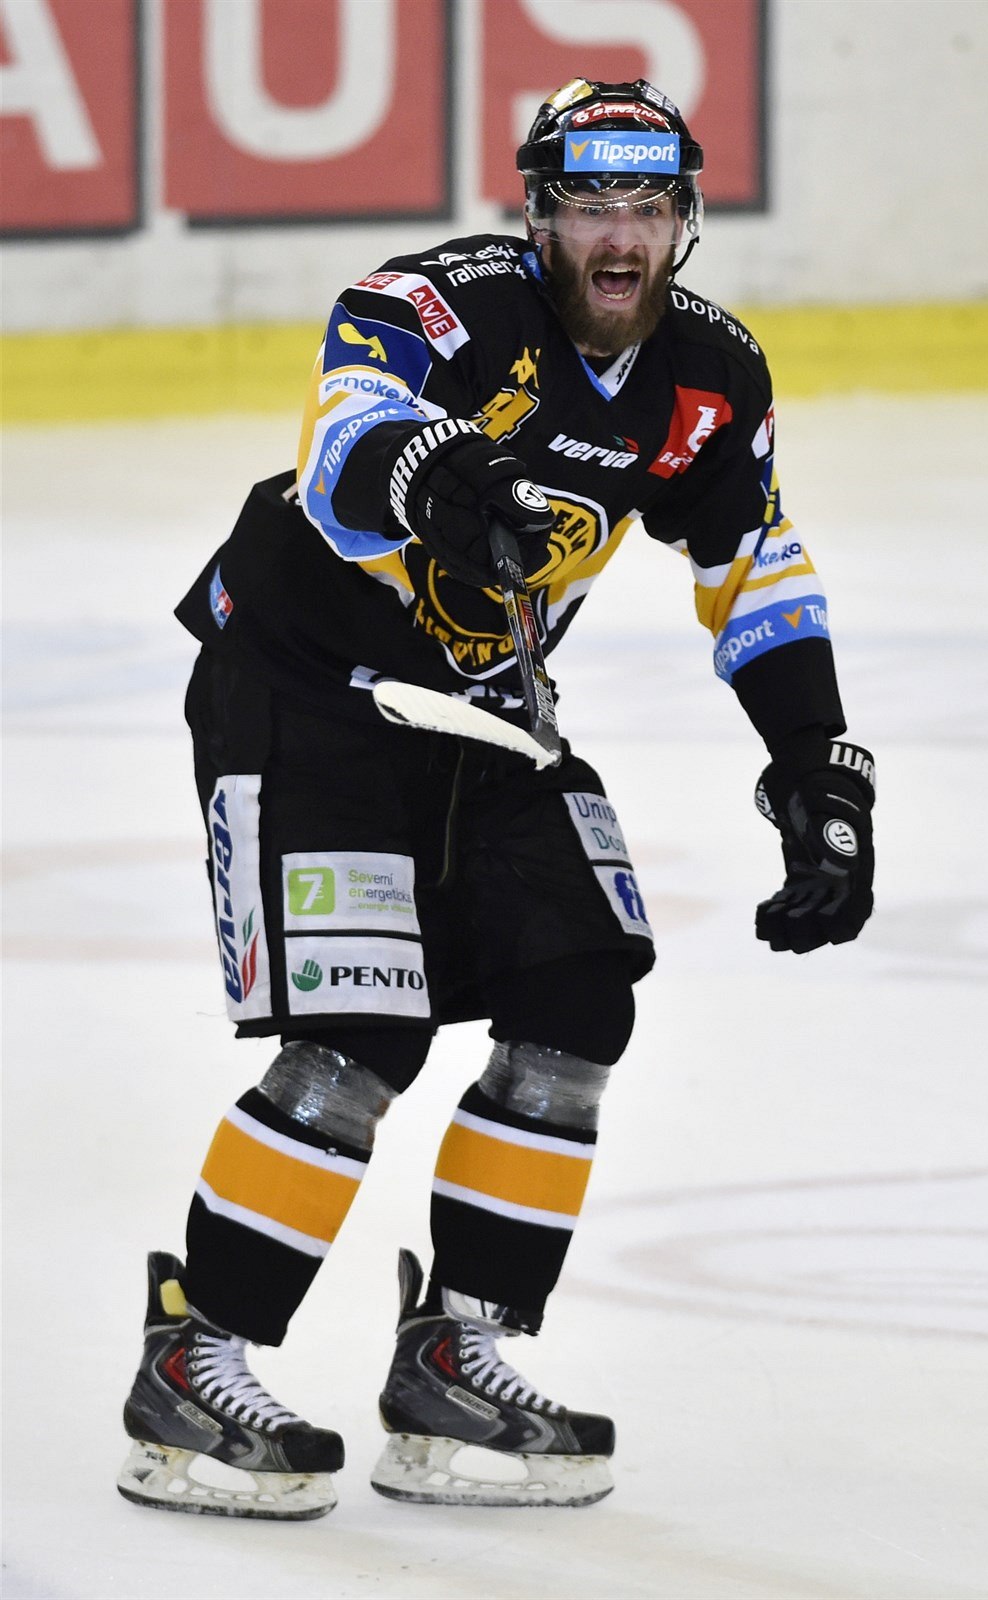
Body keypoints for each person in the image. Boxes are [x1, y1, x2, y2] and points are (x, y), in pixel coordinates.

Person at [118, 77, 876, 1519]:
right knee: (359, 1035)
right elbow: (344, 447)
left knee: (580, 995)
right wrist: (451, 479)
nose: (619, 235)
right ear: (538, 214)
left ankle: (454, 1354)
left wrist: (816, 759)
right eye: (589, 204)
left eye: (647, 206)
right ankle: (192, 1358)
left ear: (684, 222)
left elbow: (752, 562)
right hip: (306, 688)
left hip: (483, 709)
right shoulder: (438, 305)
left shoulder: (710, 376)